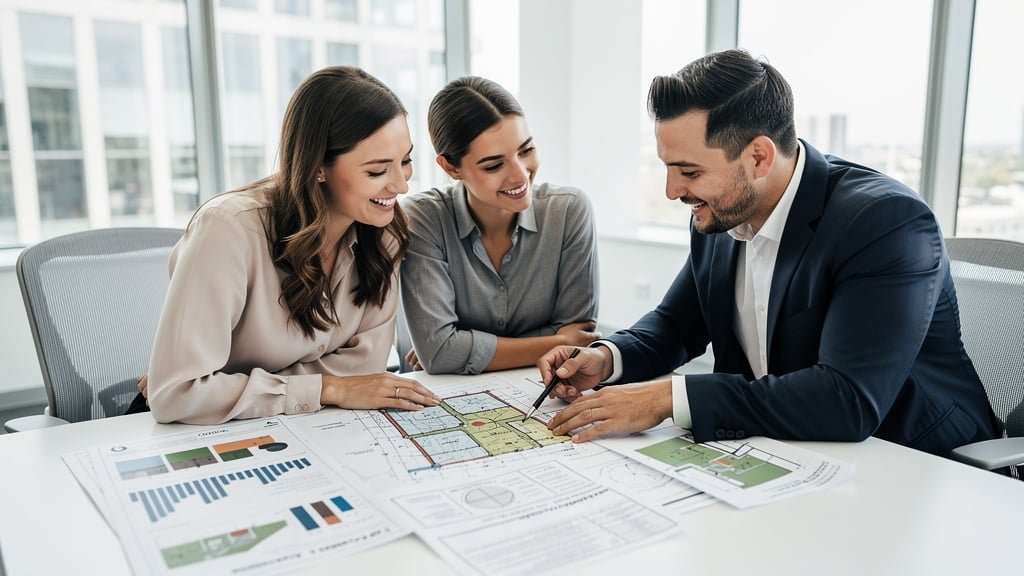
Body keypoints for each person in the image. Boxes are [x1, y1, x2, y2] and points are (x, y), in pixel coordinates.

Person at [540, 49, 1000, 457]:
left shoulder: (885, 223)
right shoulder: (719, 212)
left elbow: (847, 400)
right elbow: (679, 324)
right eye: (667, 168)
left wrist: (667, 398)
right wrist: (606, 358)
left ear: (758, 157)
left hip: (916, 459)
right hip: (787, 450)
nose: (672, 190)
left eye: (689, 171)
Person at [143, 66, 440, 425]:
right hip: (206, 436)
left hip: (309, 427)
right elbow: (177, 394)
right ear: (318, 167)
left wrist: (241, 389)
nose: (401, 185)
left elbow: (365, 369)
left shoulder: (384, 229)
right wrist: (329, 388)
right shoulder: (229, 230)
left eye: (405, 161)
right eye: (377, 171)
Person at [399, 76, 600, 375]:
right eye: (494, 165)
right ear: (451, 167)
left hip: (541, 388)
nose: (520, 176)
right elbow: (439, 353)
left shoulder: (569, 211)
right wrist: (554, 341)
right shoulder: (422, 219)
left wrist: (462, 348)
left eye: (526, 150)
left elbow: (578, 339)